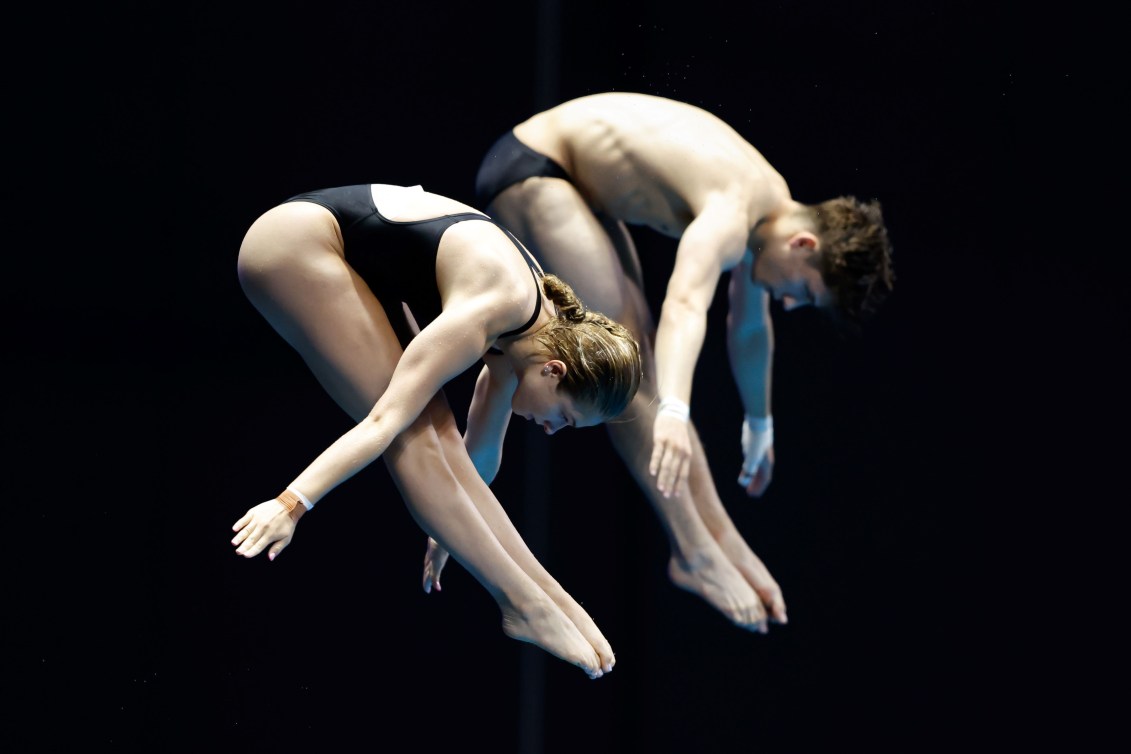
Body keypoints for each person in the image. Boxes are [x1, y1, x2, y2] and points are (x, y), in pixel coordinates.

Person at [421, 92, 894, 633]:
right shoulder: (732, 210)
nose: (790, 303)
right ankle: (693, 550)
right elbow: (686, 304)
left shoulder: (769, 213)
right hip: (533, 171)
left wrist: (760, 424)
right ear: (805, 245)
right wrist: (673, 406)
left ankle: (721, 537)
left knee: (644, 362)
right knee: (634, 376)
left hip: (574, 185)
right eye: (804, 292)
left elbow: (748, 327)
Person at [232, 182, 642, 679]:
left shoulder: (531, 336)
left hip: (348, 253)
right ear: (553, 371)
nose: (553, 430)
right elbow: (384, 423)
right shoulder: (494, 306)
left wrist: (451, 532)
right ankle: (524, 605)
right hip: (292, 246)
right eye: (566, 417)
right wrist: (291, 504)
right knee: (415, 437)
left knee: (438, 436)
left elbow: (476, 456)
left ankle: (553, 599)